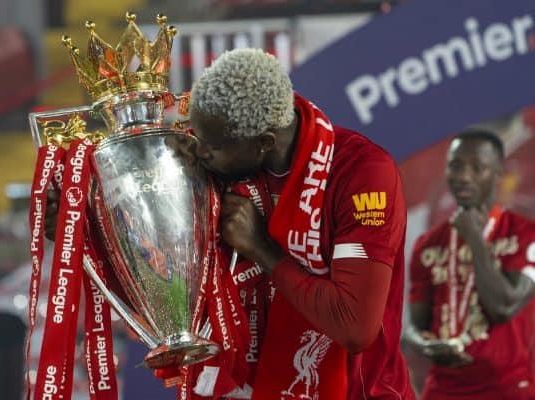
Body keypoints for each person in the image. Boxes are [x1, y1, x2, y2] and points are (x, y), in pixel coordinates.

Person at [46, 48, 415, 399]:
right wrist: (86, 231)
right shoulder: (221, 165)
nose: (199, 152)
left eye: (212, 146)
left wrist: (262, 249)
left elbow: (354, 326)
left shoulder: (361, 174)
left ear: (263, 143)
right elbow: (170, 282)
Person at [406, 130, 535, 399]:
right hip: (443, 389)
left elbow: (503, 306)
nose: (464, 176)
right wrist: (427, 346)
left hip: (508, 388)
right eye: (456, 166)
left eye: (477, 167)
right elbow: (416, 325)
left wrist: (475, 238)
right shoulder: (428, 244)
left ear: (498, 173)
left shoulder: (525, 234)